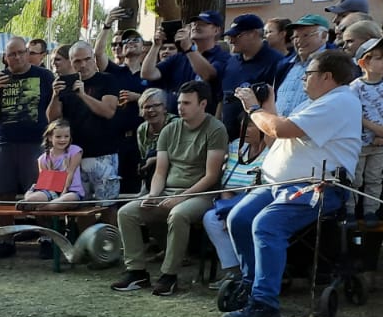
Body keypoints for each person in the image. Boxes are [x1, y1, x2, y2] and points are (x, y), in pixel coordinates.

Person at [224, 50, 361, 317]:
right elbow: (277, 137)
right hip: (281, 184)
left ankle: (264, 303)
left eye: (308, 74)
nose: (303, 80)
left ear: (326, 77)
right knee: (239, 218)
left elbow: (281, 129)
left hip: (319, 187)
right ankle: (251, 284)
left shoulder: (340, 101)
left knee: (267, 224)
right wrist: (268, 106)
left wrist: (254, 109)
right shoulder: (316, 103)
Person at [110, 80, 228, 296]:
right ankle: (136, 271)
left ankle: (169, 275)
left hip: (202, 194)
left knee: (178, 214)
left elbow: (211, 176)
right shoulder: (170, 130)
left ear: (202, 104)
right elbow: (160, 172)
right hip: (167, 191)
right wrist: (153, 194)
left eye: (187, 103)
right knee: (126, 212)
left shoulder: (215, 129)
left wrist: (181, 197)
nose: (181, 107)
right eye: (180, 102)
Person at [0, 36, 55, 258]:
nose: (18, 57)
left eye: (22, 52)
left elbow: (54, 109)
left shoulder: (44, 76)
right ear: (5, 57)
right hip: (3, 143)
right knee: (4, 195)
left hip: (36, 143)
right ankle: (6, 240)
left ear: (28, 53)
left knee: (41, 192)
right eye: (12, 54)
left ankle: (47, 238)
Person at [46, 41, 121, 205]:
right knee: (78, 207)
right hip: (74, 156)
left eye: (87, 59)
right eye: (77, 61)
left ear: (94, 58)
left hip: (103, 153)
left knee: (107, 205)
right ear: (71, 62)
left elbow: (108, 111)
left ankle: (109, 226)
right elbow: (52, 120)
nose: (83, 64)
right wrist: (55, 95)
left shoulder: (107, 80)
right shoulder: (65, 84)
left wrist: (82, 95)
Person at [202, 121, 268, 288]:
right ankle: (235, 272)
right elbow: (226, 184)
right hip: (234, 199)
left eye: (250, 126)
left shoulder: (273, 150)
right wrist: (226, 210)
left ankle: (256, 273)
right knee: (211, 218)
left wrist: (234, 211)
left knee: (242, 219)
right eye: (243, 125)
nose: (244, 129)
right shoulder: (236, 146)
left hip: (260, 200)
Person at [219, 14, 283, 137]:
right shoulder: (232, 62)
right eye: (230, 37)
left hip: (256, 138)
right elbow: (223, 97)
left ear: (254, 34)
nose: (231, 41)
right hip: (227, 135)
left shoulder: (276, 62)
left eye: (236, 36)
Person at [20, 118, 85, 211]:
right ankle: (30, 200)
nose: (63, 140)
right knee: (33, 198)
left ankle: (40, 208)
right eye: (58, 137)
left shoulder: (75, 151)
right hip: (51, 192)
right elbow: (45, 183)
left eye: (66, 136)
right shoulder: (43, 159)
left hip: (71, 191)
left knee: (62, 201)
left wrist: (63, 192)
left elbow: (70, 173)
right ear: (50, 137)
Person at [353, 37, 383, 227]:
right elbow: (352, 113)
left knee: (375, 178)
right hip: (359, 144)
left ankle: (371, 211)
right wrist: (374, 129)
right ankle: (350, 211)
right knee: (355, 179)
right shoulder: (355, 87)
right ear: (364, 63)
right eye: (378, 58)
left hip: (379, 145)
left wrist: (380, 135)